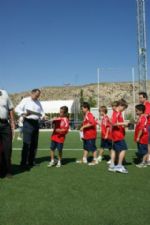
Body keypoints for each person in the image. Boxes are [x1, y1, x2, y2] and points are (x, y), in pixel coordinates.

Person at [15, 89, 44, 169]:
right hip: (28, 122)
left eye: (38, 96)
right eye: (36, 95)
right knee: (27, 144)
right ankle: (23, 163)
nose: (37, 97)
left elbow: (42, 112)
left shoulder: (38, 102)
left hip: (36, 123)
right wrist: (23, 113)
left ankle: (31, 161)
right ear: (32, 93)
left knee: (34, 144)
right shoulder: (25, 100)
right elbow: (17, 109)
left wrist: (44, 116)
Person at [108, 99, 129, 174]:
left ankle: (112, 165)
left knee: (114, 149)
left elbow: (115, 123)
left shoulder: (116, 113)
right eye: (124, 108)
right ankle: (119, 165)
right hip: (118, 135)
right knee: (124, 149)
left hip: (116, 134)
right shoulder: (117, 113)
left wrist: (124, 124)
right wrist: (123, 123)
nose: (124, 110)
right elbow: (113, 123)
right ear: (121, 106)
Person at [76, 102, 97, 166]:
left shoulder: (89, 114)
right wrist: (81, 126)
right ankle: (84, 159)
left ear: (86, 108)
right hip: (86, 135)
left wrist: (83, 126)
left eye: (82, 108)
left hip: (91, 135)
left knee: (93, 148)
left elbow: (92, 123)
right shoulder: (85, 115)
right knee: (85, 147)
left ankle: (95, 160)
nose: (81, 110)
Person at [0, 89, 15, 177]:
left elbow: (11, 109)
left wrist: (13, 122)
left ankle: (8, 171)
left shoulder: (5, 95)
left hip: (5, 124)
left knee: (7, 148)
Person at [139, 92, 150, 163]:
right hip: (146, 125)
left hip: (148, 125)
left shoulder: (147, 105)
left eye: (141, 97)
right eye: (139, 97)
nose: (139, 99)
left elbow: (147, 114)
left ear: (145, 98)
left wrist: (141, 116)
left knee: (148, 143)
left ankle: (148, 158)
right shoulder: (143, 105)